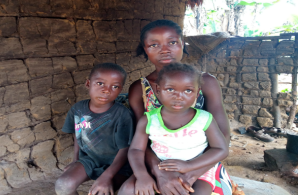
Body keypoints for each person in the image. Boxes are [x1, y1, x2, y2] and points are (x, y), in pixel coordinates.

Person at [119, 20, 232, 195]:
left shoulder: (206, 82)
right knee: (127, 189)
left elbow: (223, 137)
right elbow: (141, 141)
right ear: (145, 49)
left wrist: (192, 173)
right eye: (154, 45)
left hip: (201, 162)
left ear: (182, 44)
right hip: (157, 161)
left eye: (172, 42)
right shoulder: (139, 89)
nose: (164, 50)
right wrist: (159, 172)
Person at [124, 63, 229, 195]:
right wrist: (142, 175)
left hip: (197, 168)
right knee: (127, 189)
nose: (179, 96)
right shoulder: (149, 120)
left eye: (188, 91)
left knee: (200, 192)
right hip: (159, 168)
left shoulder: (204, 119)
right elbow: (136, 150)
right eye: (170, 89)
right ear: (158, 90)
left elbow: (221, 149)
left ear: (197, 93)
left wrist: (189, 166)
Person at [55, 63, 134, 195]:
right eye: (100, 84)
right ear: (88, 84)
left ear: (120, 90)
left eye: (115, 86)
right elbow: (78, 134)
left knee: (100, 192)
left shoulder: (122, 115)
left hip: (118, 165)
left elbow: (124, 149)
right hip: (90, 160)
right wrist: (75, 160)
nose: (106, 90)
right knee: (63, 185)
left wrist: (107, 176)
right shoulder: (77, 109)